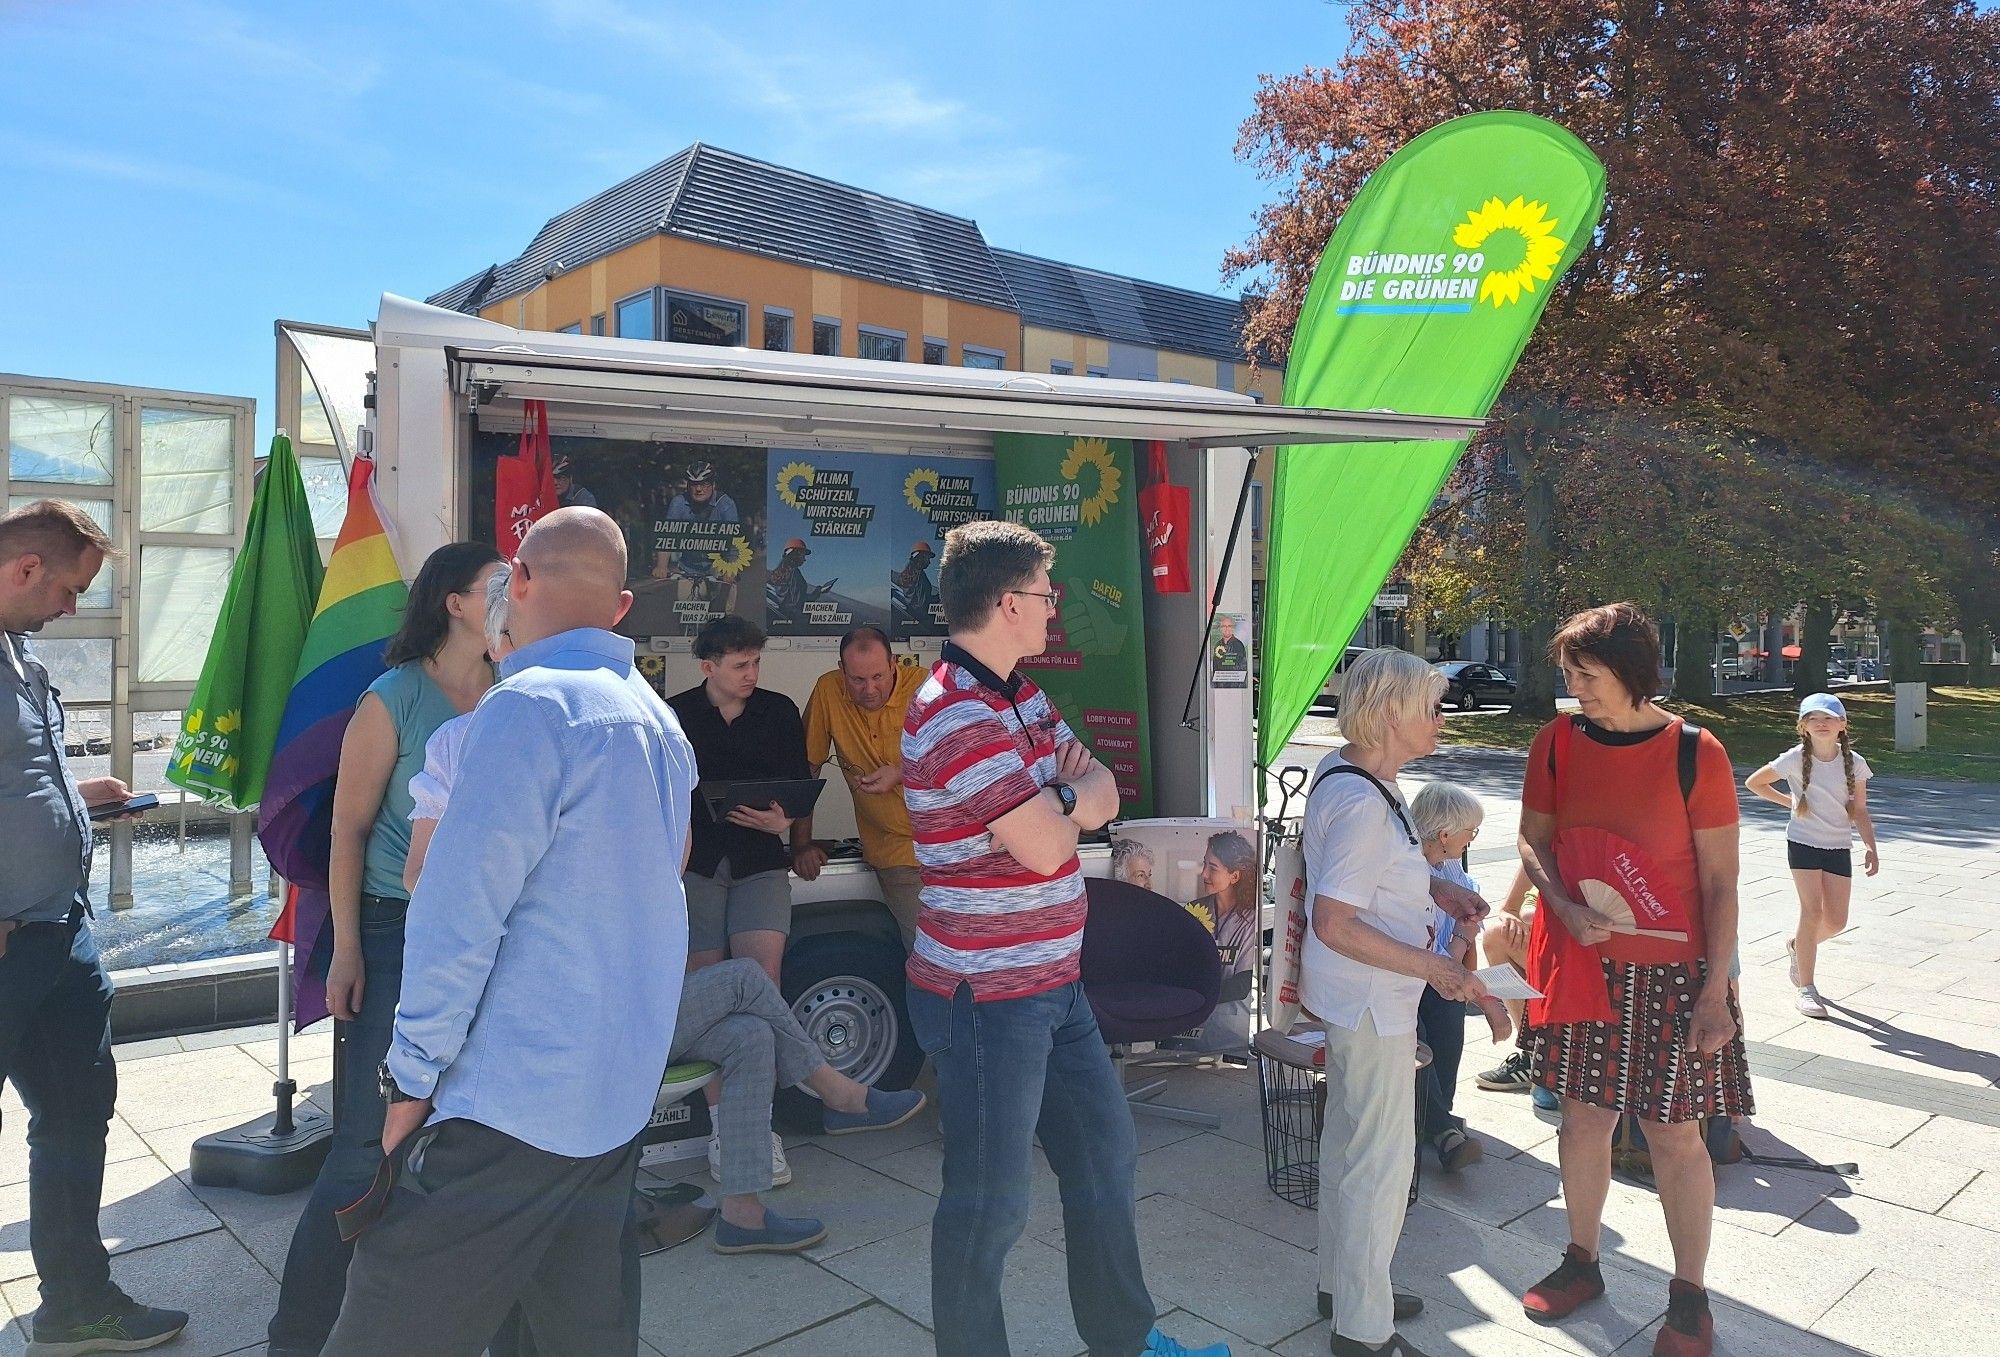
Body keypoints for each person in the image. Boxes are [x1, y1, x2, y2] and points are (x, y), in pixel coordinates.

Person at [401, 574, 925, 1260]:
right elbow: (430, 885)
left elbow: (666, 854)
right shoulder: (504, 736)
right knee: (741, 984)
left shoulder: (620, 728)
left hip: (626, 994)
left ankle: (743, 1209)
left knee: (744, 1032)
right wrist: (409, 1082)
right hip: (573, 1015)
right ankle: (838, 1092)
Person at [322, 507, 695, 1357]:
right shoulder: (659, 721)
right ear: (622, 605)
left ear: (517, 581)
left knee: (388, 1328)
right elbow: (662, 888)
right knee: (578, 1328)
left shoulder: (523, 709)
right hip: (612, 1096)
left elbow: (455, 917)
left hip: (511, 1102)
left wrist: (409, 1080)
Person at [901, 519, 1228, 1357]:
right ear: (1008, 602)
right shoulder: (952, 710)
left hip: (1053, 983)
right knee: (990, 1201)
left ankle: (1123, 1341)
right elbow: (1051, 844)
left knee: (1104, 1164)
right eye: (1048, 596)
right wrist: (1061, 797)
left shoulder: (1020, 691)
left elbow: (1107, 787)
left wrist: (1058, 797)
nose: (1057, 611)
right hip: (985, 1001)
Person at [266, 540, 503, 1357]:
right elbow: (349, 828)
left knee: (463, 1141)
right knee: (365, 1144)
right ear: (454, 602)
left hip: (488, 938)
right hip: (394, 929)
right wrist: (345, 951)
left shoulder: (513, 694)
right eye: (497, 583)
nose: (514, 593)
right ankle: (297, 1336)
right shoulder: (392, 697)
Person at [1514, 603, 1752, 1357]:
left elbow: (1721, 882)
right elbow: (1533, 840)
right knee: (1581, 1119)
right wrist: (1560, 903)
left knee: (1675, 1137)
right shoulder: (1555, 742)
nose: (1574, 687)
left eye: (1587, 674)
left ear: (1631, 670)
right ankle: (1582, 1259)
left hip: (1677, 977)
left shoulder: (1696, 751)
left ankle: (1690, 1298)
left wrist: (1716, 992)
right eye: (1569, 674)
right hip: (1586, 963)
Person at [0, 500, 187, 1355]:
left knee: (77, 1112)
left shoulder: (21, 654)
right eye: (72, 589)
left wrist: (82, 799)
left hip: (56, 936)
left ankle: (76, 1305)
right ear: (27, 567)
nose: (75, 608)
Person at [1299, 648, 1489, 1357]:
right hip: (1374, 1002)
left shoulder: (1355, 775)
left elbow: (1370, 881)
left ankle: (1348, 1288)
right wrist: (1440, 967)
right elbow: (1336, 919)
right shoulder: (1365, 803)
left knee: (1350, 1144)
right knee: (1378, 1163)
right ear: (1388, 714)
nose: (1442, 718)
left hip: (1356, 998)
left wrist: (1436, 885)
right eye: (1431, 706)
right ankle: (1363, 1330)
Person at [667, 614, 810, 1186]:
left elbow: (800, 788)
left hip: (759, 861)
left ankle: (760, 1128)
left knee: (761, 986)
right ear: (708, 667)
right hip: (699, 866)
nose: (752, 674)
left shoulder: (778, 710)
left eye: (757, 663)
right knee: (708, 993)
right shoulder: (675, 713)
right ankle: (727, 1127)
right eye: (740, 665)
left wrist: (785, 818)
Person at [1745, 692, 1879, 1019]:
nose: (1822, 724)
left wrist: (1870, 846)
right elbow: (1754, 782)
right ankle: (1807, 988)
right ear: (1803, 726)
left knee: (1836, 920)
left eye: (1829, 718)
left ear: (1842, 725)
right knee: (1812, 910)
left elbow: (1859, 810)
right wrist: (1789, 803)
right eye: (1813, 719)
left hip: (1837, 846)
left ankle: (1798, 947)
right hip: (1803, 842)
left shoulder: (1855, 763)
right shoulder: (1793, 758)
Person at [795, 625, 927, 945]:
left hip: (956, 845)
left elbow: (964, 762)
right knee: (930, 957)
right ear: (842, 670)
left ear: (894, 662)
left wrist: (901, 773)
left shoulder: (928, 687)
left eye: (878, 677)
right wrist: (801, 844)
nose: (869, 689)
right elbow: (806, 769)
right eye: (857, 680)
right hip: (897, 853)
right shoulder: (828, 689)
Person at [1408, 782, 1513, 1173]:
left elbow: (1462, 951)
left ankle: (1433, 1119)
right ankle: (1443, 1131)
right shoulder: (1408, 869)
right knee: (1416, 1038)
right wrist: (1462, 936)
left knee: (1449, 1026)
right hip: (1403, 974)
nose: (1473, 840)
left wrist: (1482, 996)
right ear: (1445, 834)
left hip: (1439, 975)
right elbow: (1425, 948)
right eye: (1471, 831)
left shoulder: (1451, 866)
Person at [1473, 867, 1559, 1111]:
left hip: (1586, 947)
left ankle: (1554, 1065)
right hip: (1550, 936)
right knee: (1497, 936)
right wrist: (1511, 917)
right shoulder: (1538, 844)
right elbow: (1510, 909)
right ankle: (1534, 1056)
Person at [1185, 830, 1259, 988]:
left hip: (1232, 1011)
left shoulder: (1251, 919)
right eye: (1204, 864)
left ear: (1235, 876)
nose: (1204, 874)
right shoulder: (1193, 910)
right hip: (1199, 1010)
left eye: (1213, 868)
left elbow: (1242, 985)